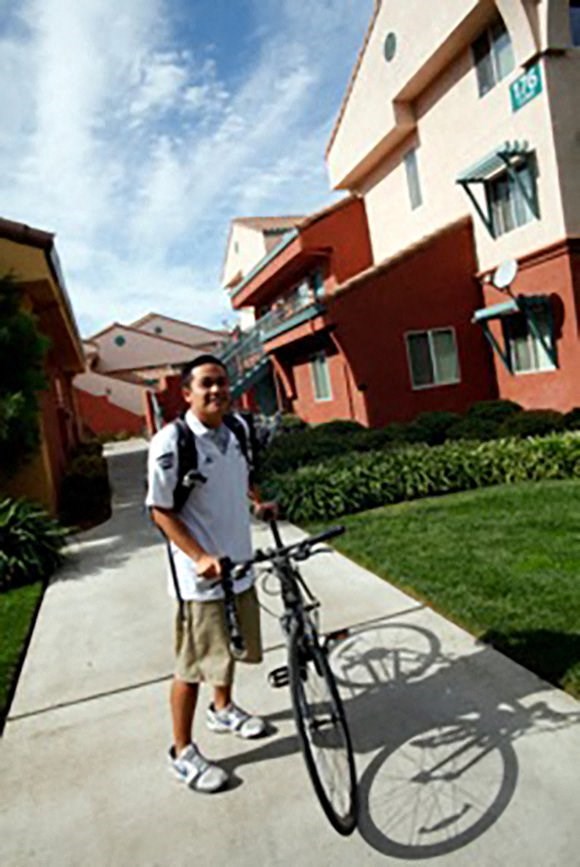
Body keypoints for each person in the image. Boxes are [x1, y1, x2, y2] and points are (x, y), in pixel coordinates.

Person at [146, 354, 275, 793]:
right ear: (187, 393)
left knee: (231, 647)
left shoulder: (236, 429)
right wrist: (199, 556)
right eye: (206, 384)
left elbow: (244, 473)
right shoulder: (171, 442)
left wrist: (257, 501)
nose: (217, 390)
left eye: (222, 382)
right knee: (193, 666)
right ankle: (181, 752)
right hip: (199, 579)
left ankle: (223, 710)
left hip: (239, 566)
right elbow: (160, 511)